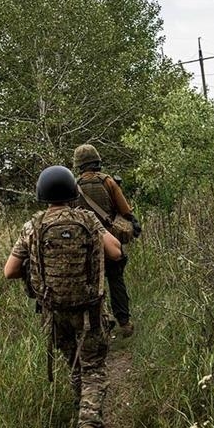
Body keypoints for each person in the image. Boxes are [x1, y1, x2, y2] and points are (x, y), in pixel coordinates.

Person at [3, 165, 124, 428]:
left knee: (75, 364)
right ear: (73, 192)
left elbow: (9, 271)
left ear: (42, 194)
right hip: (91, 312)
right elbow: (116, 252)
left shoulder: (33, 226)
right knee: (93, 368)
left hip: (54, 313)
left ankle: (79, 417)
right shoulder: (87, 219)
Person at [70, 144, 141, 337]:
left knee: (91, 286)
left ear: (79, 165)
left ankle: (99, 323)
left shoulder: (73, 186)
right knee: (116, 280)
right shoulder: (108, 182)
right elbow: (125, 211)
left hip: (84, 246)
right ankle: (124, 323)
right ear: (97, 161)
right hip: (109, 242)